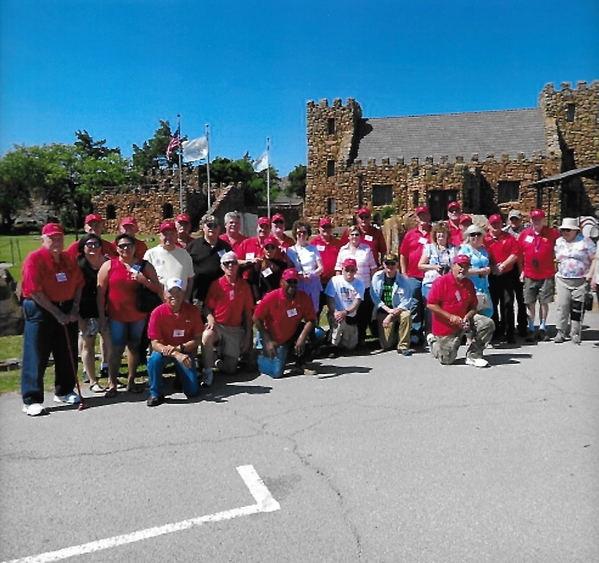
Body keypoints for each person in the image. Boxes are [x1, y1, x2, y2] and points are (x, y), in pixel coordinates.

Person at [20, 223, 85, 416]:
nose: (56, 242)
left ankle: (64, 390)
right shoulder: (34, 259)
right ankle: (31, 399)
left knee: (67, 351)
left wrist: (73, 309)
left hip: (66, 307)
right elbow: (36, 292)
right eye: (52, 239)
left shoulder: (68, 258)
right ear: (43, 240)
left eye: (59, 238)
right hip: (40, 309)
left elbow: (79, 285)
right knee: (36, 354)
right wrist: (58, 314)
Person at [98, 233, 162, 397]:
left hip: (138, 315)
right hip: (116, 315)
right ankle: (112, 383)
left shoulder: (144, 265)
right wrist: (102, 316)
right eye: (121, 246)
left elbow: (157, 288)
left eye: (128, 245)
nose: (125, 249)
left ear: (135, 247)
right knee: (116, 349)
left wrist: (144, 281)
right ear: (116, 248)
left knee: (134, 347)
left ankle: (131, 381)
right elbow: (100, 293)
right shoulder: (109, 265)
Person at [426, 254, 495, 367]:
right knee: (447, 360)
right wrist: (450, 317)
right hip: (446, 327)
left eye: (466, 266)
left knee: (487, 323)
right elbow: (431, 304)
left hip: (463, 321)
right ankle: (433, 341)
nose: (463, 269)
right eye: (460, 265)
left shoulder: (469, 284)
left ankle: (473, 355)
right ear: (453, 266)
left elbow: (473, 306)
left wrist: (467, 316)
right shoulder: (441, 282)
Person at [146, 278, 203, 406]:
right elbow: (154, 343)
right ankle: (156, 393)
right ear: (165, 294)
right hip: (164, 351)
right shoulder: (157, 313)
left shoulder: (192, 311)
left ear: (183, 293)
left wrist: (179, 349)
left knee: (193, 392)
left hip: (186, 351)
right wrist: (176, 354)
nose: (175, 296)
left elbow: (198, 339)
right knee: (154, 360)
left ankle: (181, 377)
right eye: (171, 292)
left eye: (178, 292)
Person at [201, 251, 254, 386]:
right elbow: (206, 307)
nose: (231, 266)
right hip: (218, 326)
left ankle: (214, 361)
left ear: (238, 266)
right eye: (227, 263)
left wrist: (247, 337)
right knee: (207, 335)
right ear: (222, 267)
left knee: (231, 369)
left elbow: (248, 314)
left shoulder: (244, 286)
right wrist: (210, 318)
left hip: (234, 329)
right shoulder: (216, 284)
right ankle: (207, 371)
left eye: (234, 263)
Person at [253, 268, 317, 378]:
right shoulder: (271, 297)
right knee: (277, 373)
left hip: (291, 335)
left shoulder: (303, 297)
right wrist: (268, 340)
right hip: (273, 338)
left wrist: (302, 337)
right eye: (289, 281)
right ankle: (258, 356)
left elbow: (311, 319)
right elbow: (256, 318)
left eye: (295, 282)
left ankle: (300, 363)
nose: (292, 285)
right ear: (282, 282)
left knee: (317, 333)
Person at [518, 209, 559, 342]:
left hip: (546, 274)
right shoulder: (525, 234)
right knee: (529, 303)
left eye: (539, 219)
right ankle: (531, 328)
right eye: (534, 219)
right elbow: (519, 254)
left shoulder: (552, 233)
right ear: (530, 220)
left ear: (543, 220)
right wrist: (522, 271)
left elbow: (560, 247)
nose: (537, 221)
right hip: (530, 274)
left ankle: (542, 327)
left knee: (544, 302)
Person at [76, 233, 110, 392]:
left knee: (111, 344)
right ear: (83, 247)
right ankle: (92, 380)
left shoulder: (108, 263)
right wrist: (78, 316)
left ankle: (111, 377)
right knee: (88, 345)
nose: (93, 248)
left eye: (96, 244)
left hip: (108, 310)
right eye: (89, 245)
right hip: (86, 312)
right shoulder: (78, 266)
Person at [553, 218, 596, 344]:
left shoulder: (585, 241)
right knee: (562, 306)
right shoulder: (559, 241)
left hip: (580, 280)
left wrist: (591, 273)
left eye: (567, 230)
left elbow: (594, 258)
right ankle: (560, 331)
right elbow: (556, 258)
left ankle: (575, 332)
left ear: (575, 231)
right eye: (562, 230)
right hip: (563, 279)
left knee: (577, 307)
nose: (564, 232)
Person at [335, 225, 378, 343]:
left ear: (360, 236)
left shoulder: (367, 249)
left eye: (357, 234)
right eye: (352, 234)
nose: (354, 237)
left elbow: (373, 268)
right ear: (348, 236)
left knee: (364, 314)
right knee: (351, 313)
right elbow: (338, 269)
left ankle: (361, 338)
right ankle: (350, 338)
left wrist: (373, 284)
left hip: (364, 286)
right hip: (348, 288)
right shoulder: (343, 250)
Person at [484, 214, 519, 343]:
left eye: (498, 223)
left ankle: (509, 332)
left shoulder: (509, 237)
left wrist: (503, 265)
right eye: (493, 223)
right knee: (492, 305)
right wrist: (493, 267)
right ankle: (494, 332)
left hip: (507, 274)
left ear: (501, 224)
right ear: (488, 225)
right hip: (491, 276)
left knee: (508, 304)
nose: (495, 225)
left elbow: (515, 253)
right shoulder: (484, 239)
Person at [400, 205, 432, 347]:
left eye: (425, 215)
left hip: (430, 276)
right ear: (416, 218)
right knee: (414, 304)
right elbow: (403, 255)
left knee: (429, 305)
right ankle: (415, 332)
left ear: (429, 216)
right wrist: (404, 273)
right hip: (413, 275)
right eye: (420, 215)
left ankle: (429, 333)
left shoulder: (433, 233)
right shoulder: (410, 235)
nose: (422, 218)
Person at [370, 253, 413, 355]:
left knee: (406, 315)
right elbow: (374, 297)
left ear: (397, 264)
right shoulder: (377, 277)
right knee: (386, 345)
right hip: (383, 311)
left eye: (392, 263)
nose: (390, 266)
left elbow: (406, 301)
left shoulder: (402, 280)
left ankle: (403, 346)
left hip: (397, 311)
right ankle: (396, 332)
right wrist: (388, 311)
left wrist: (391, 315)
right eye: (387, 263)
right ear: (383, 264)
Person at [144, 220, 194, 301]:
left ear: (176, 235)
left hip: (179, 300)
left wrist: (187, 298)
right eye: (165, 234)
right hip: (157, 300)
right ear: (159, 236)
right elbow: (144, 278)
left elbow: (190, 280)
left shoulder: (184, 254)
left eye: (171, 234)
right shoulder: (150, 254)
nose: (168, 237)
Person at [187, 215, 232, 305]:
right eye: (209, 226)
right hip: (199, 295)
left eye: (215, 226)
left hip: (220, 294)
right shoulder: (193, 246)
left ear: (219, 229)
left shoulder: (225, 247)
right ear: (203, 228)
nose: (212, 228)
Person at [325, 258, 364, 355]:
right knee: (339, 321)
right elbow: (330, 298)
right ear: (342, 269)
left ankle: (335, 340)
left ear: (356, 271)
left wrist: (345, 312)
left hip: (350, 315)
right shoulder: (335, 280)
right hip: (336, 314)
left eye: (352, 270)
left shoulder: (360, 284)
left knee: (350, 346)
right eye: (347, 270)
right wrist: (335, 312)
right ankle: (332, 346)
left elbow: (356, 303)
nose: (349, 273)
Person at [286, 220, 323, 314]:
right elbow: (289, 269)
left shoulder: (313, 249)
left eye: (304, 232)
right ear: (295, 234)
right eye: (299, 232)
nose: (302, 235)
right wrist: (299, 275)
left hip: (312, 282)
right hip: (298, 283)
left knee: (313, 310)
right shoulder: (290, 251)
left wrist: (312, 275)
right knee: (299, 309)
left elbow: (321, 267)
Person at [458, 224, 493, 318]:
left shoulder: (483, 250)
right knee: (472, 314)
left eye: (479, 234)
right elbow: (462, 271)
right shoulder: (464, 250)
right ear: (468, 237)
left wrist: (487, 269)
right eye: (473, 234)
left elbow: (486, 264)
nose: (476, 237)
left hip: (484, 287)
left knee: (487, 313)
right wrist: (480, 271)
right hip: (471, 287)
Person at [504, 209, 529, 336]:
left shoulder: (526, 232)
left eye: (517, 219)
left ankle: (523, 326)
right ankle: (509, 327)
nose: (514, 221)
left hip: (522, 267)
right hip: (509, 267)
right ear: (509, 219)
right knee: (508, 300)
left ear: (521, 220)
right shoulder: (504, 232)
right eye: (512, 219)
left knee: (522, 299)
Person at [310, 217, 341, 314]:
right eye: (324, 227)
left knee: (335, 308)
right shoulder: (314, 243)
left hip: (333, 282)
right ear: (319, 228)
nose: (326, 229)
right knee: (316, 309)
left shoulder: (337, 243)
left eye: (328, 227)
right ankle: (315, 328)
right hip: (319, 282)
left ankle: (334, 329)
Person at [248, 235, 288, 303]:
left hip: (278, 297)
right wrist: (257, 298)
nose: (269, 250)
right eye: (267, 247)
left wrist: (284, 254)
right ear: (264, 249)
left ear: (276, 249)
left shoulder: (280, 264)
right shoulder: (259, 264)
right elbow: (254, 282)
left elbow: (291, 267)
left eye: (272, 247)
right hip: (264, 298)